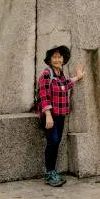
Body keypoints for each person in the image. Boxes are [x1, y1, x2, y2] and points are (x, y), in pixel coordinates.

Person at [37, 45, 84, 187]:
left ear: (63, 60)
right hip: (50, 116)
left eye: (59, 57)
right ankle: (49, 173)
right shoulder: (46, 74)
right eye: (54, 57)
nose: (57, 59)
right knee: (52, 142)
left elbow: (66, 84)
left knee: (56, 143)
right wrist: (48, 115)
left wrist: (78, 77)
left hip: (61, 115)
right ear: (50, 60)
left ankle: (52, 171)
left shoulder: (60, 75)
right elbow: (43, 95)